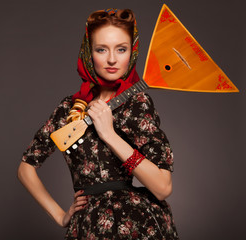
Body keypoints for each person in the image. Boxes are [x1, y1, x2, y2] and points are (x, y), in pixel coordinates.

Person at [18, 8, 179, 239]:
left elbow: (163, 188)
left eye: (121, 49)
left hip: (134, 225)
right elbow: (26, 168)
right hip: (87, 226)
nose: (112, 59)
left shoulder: (137, 103)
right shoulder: (69, 109)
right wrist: (61, 215)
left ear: (131, 53)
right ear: (88, 52)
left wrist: (109, 135)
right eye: (101, 49)